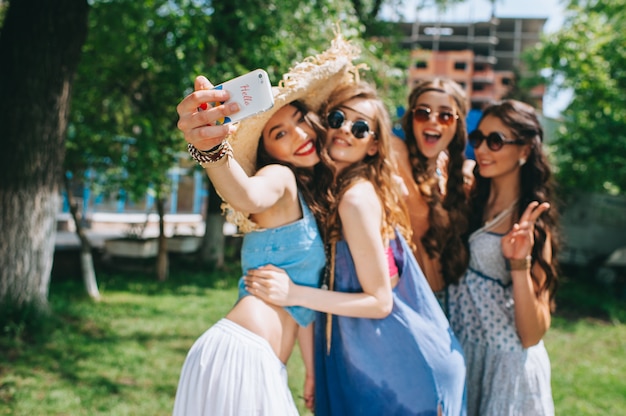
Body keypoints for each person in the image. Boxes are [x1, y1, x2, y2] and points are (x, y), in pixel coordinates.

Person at [246, 81, 467, 416]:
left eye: (361, 127)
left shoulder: (354, 199)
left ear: (374, 145)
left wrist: (293, 294)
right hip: (375, 355)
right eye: (337, 118)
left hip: (400, 366)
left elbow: (380, 302)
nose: (345, 130)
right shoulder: (337, 192)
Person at [171, 35, 360, 416]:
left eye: (299, 123)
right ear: (267, 152)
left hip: (264, 363)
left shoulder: (308, 201)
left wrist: (308, 373)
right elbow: (246, 197)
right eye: (280, 134)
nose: (300, 136)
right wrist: (211, 152)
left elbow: (300, 304)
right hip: (242, 355)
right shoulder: (280, 178)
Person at [447, 99, 560, 415]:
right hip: (466, 356)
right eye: (478, 139)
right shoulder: (472, 200)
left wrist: (518, 263)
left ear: (524, 150)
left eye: (495, 141)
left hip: (507, 370)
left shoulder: (531, 224)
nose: (482, 149)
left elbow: (531, 335)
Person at [392, 78, 471, 301]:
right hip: (408, 298)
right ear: (411, 120)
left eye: (445, 115)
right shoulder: (397, 155)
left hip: (449, 299)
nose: (433, 121)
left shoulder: (452, 170)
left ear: (457, 124)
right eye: (423, 113)